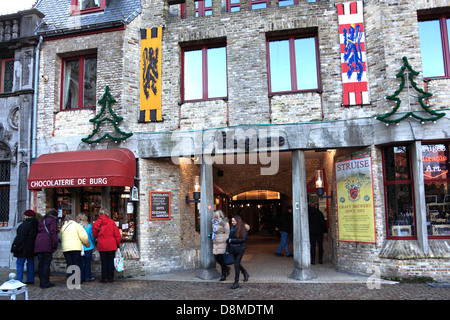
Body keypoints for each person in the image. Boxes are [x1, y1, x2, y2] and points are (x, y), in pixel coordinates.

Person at [92, 208, 121, 283]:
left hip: (102, 244)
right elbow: (117, 234)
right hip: (111, 244)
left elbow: (94, 234)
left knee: (104, 262)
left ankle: (104, 278)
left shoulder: (96, 223)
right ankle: (111, 278)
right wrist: (118, 243)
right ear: (107, 213)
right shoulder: (111, 222)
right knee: (111, 261)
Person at [11, 209, 38, 284]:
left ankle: (19, 279)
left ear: (26, 216)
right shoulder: (36, 225)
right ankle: (30, 279)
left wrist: (15, 246)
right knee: (30, 263)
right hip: (31, 247)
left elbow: (20, 237)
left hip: (23, 247)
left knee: (20, 263)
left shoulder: (24, 225)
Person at [34, 208, 59, 288]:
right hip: (46, 243)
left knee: (41, 264)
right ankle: (45, 282)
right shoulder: (52, 220)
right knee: (46, 264)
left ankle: (42, 281)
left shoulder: (41, 220)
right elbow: (52, 232)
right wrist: (55, 243)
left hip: (39, 242)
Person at [60, 215, 89, 281]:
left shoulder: (63, 227)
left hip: (66, 248)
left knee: (69, 263)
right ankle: (75, 280)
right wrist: (85, 242)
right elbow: (83, 236)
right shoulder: (77, 225)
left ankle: (70, 279)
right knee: (76, 263)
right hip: (76, 247)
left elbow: (61, 237)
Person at [227, 215, 249, 289]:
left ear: (238, 221)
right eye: (231, 221)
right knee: (237, 263)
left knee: (236, 264)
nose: (232, 222)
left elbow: (243, 239)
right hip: (233, 248)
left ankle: (236, 282)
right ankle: (245, 272)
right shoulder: (232, 228)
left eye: (233, 221)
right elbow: (230, 237)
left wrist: (231, 240)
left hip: (240, 249)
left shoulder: (243, 229)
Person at [76, 213, 96, 282]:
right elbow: (91, 236)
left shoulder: (76, 226)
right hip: (88, 246)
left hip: (79, 247)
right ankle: (87, 277)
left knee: (80, 263)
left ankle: (80, 277)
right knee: (88, 263)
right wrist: (94, 241)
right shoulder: (89, 226)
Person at [211, 210, 230, 281]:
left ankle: (224, 274)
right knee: (217, 257)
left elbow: (227, 233)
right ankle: (226, 268)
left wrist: (224, 239)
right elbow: (213, 231)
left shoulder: (224, 223)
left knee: (221, 258)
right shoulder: (213, 223)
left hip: (221, 242)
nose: (214, 216)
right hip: (215, 241)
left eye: (215, 215)